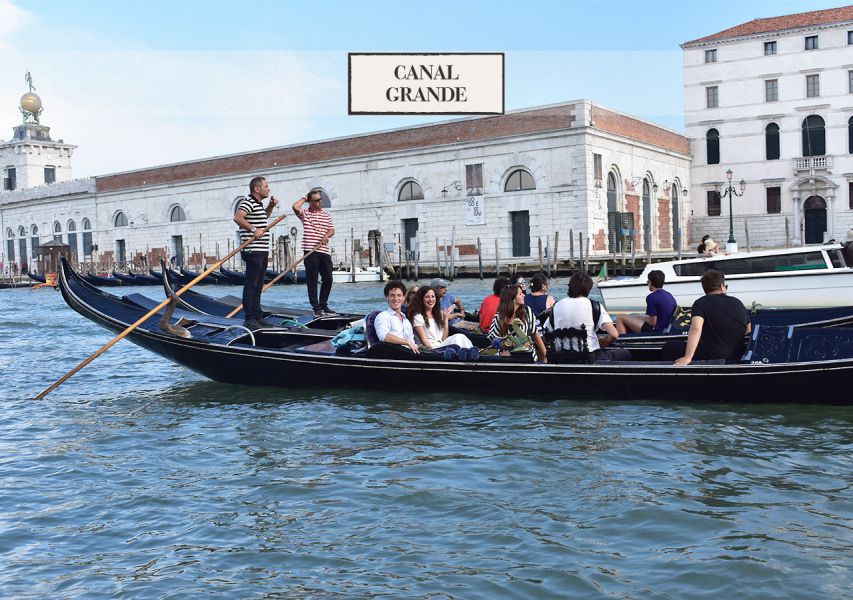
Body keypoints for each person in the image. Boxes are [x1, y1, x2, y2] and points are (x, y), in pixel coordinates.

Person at [672, 270, 750, 365]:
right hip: (738, 353)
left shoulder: (700, 303)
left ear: (704, 289)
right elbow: (748, 329)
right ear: (722, 286)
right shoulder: (738, 302)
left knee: (669, 347)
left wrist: (688, 357)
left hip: (714, 354)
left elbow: (696, 328)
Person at [233, 175, 279, 330]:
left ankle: (257, 315)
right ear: (256, 189)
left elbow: (262, 217)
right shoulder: (247, 202)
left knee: (258, 284)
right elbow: (238, 218)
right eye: (266, 186)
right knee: (251, 284)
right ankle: (249, 318)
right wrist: (253, 229)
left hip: (262, 250)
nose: (269, 188)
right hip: (252, 250)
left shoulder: (258, 205)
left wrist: (271, 207)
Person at [544, 271, 621, 363]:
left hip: (561, 359)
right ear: (588, 289)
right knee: (625, 353)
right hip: (589, 358)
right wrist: (605, 341)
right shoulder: (594, 306)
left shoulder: (556, 306)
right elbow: (614, 334)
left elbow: (546, 334)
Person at [293, 189, 335, 318]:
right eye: (317, 200)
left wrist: (326, 236)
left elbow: (332, 230)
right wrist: (305, 198)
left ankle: (323, 305)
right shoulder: (305, 214)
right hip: (310, 251)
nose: (320, 202)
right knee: (312, 279)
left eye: (320, 199)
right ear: (310, 202)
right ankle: (315, 307)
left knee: (328, 278)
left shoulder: (326, 215)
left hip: (323, 251)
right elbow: (295, 207)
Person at [488, 284, 547, 362]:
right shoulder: (498, 317)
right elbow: (495, 341)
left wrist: (545, 356)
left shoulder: (527, 311)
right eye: (520, 294)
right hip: (506, 359)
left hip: (528, 357)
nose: (524, 295)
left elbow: (535, 334)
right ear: (513, 299)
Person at [408, 286, 473, 350]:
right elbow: (424, 341)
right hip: (430, 349)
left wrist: (446, 318)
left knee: (460, 336)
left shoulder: (437, 314)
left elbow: (443, 339)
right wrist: (434, 353)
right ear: (421, 299)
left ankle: (471, 354)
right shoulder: (418, 317)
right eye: (427, 297)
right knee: (458, 338)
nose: (431, 299)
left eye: (433, 297)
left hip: (440, 345)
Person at [614, 269, 677, 335]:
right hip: (666, 329)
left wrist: (640, 318)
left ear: (650, 283)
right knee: (636, 317)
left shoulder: (651, 297)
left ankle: (623, 342)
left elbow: (653, 323)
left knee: (620, 317)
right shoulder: (669, 295)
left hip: (656, 332)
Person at [374, 280, 420, 354]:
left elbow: (412, 341)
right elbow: (383, 336)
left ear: (404, 297)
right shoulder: (383, 316)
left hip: (410, 353)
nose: (396, 299)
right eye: (392, 295)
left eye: (399, 295)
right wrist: (407, 343)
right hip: (394, 353)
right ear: (387, 297)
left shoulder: (406, 321)